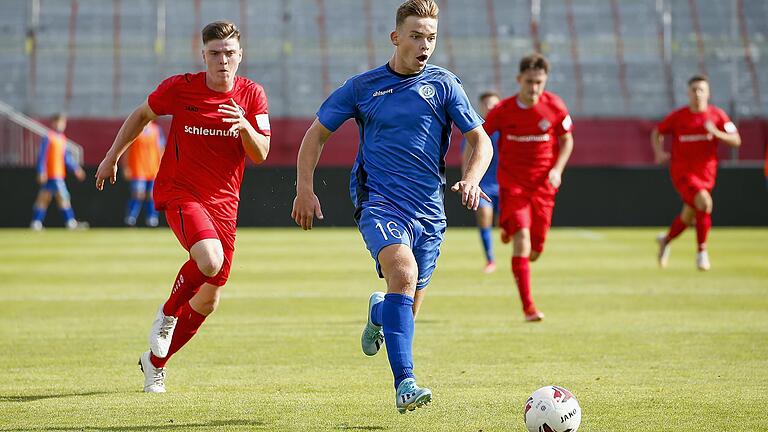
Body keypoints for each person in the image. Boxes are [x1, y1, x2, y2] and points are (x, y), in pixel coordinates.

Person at [291, 0, 492, 414]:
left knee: (407, 305)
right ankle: (406, 384)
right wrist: (304, 190)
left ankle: (379, 311)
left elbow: (480, 141)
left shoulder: (444, 85)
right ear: (396, 37)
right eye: (416, 36)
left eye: (431, 37)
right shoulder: (363, 87)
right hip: (380, 202)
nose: (425, 45)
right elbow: (315, 137)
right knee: (403, 272)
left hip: (430, 210)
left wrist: (471, 179)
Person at [95, 21, 271, 393]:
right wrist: (112, 156)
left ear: (240, 55)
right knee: (209, 260)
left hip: (225, 204)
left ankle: (155, 363)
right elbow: (142, 114)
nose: (223, 60)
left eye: (229, 53)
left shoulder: (252, 96)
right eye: (215, 53)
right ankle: (168, 312)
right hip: (181, 192)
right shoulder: (180, 88)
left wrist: (244, 127)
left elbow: (261, 153)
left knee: (208, 300)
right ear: (203, 55)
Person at [483, 53, 574, 322]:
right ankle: (529, 308)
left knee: (535, 251)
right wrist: (472, 174)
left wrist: (557, 170)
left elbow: (567, 140)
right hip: (514, 185)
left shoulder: (555, 106)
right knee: (522, 241)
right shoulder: (503, 110)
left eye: (539, 82)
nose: (534, 88)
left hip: (544, 187)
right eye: (530, 82)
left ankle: (508, 225)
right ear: (519, 80)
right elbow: (480, 137)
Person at [652, 74, 741, 271]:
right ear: (688, 93)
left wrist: (716, 133)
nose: (697, 93)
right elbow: (657, 131)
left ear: (708, 93)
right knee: (705, 202)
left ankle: (665, 240)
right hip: (682, 172)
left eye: (701, 90)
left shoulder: (717, 115)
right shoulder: (679, 116)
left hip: (707, 174)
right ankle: (702, 253)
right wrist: (659, 153)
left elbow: (736, 140)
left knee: (689, 214)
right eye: (694, 90)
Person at [461, 91, 501, 273]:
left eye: (494, 104)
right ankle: (490, 260)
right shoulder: (476, 131)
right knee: (485, 216)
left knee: (506, 224)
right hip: (483, 184)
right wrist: (467, 181)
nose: (490, 107)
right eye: (487, 104)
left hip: (505, 183)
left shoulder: (507, 128)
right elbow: (466, 157)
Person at [30, 112, 87, 230]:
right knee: (62, 197)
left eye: (63, 123)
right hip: (52, 174)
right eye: (59, 122)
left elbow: (66, 157)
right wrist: (41, 171)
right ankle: (70, 222)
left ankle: (36, 222)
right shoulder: (49, 137)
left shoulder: (62, 139)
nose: (61, 125)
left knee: (44, 198)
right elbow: (42, 156)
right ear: (54, 123)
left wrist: (76, 168)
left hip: (58, 174)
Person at [123, 121, 165, 227]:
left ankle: (152, 218)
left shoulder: (156, 130)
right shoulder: (136, 129)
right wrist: (126, 167)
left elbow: (161, 149)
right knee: (138, 194)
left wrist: (162, 167)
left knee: (151, 195)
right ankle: (131, 218)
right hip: (138, 167)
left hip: (153, 168)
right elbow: (126, 149)